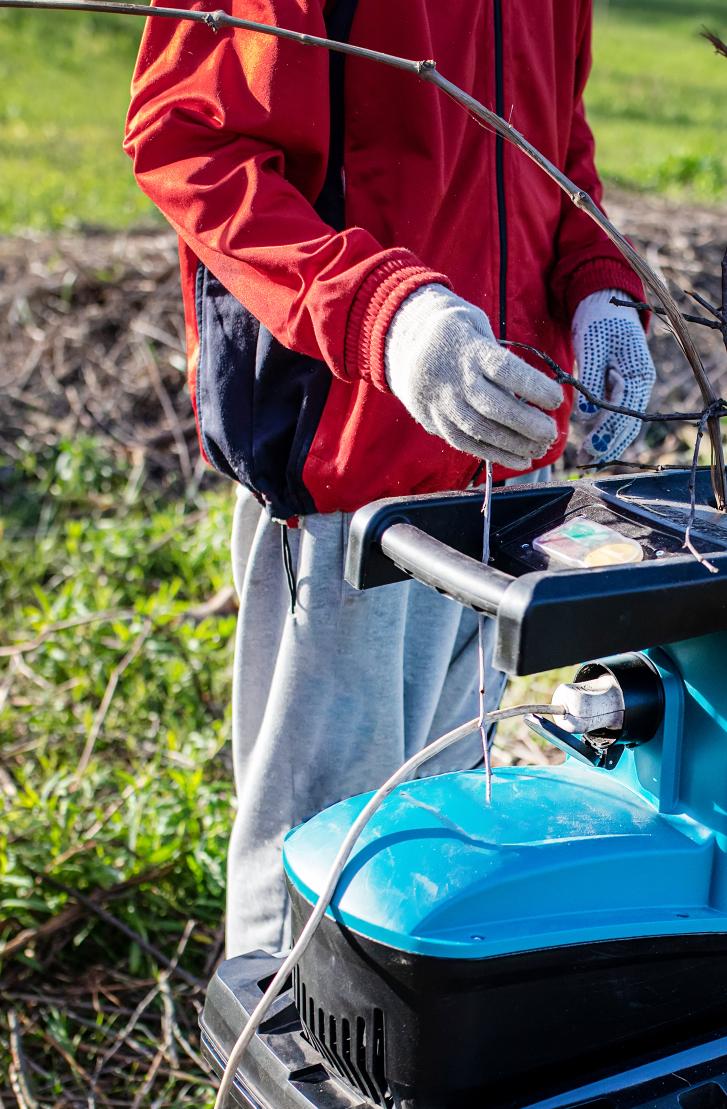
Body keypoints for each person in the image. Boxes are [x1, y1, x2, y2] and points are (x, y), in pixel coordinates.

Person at [124, 0, 657, 959]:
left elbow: (550, 146)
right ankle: (266, 1090)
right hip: (352, 473)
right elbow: (192, 141)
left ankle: (403, 1092)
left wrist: (597, 284)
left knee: (440, 840)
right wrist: (387, 313)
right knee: (317, 857)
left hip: (499, 482)